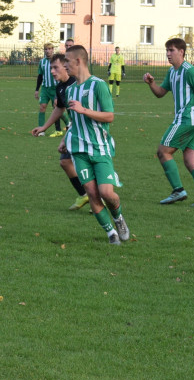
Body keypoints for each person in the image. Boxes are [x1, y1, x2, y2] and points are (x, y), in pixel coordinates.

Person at [63, 45, 130, 245]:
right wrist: (64, 140)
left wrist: (84, 110)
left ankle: (118, 219)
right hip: (79, 150)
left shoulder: (99, 85)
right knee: (92, 193)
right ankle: (111, 234)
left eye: (67, 60)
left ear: (78, 61)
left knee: (107, 193)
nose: (65, 65)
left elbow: (109, 116)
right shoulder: (70, 90)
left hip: (100, 148)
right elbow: (73, 122)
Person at [142, 37, 194, 207]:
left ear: (181, 52)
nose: (168, 54)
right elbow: (160, 93)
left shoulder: (189, 71)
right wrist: (151, 83)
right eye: (167, 50)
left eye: (171, 50)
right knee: (191, 161)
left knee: (163, 152)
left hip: (188, 120)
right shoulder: (172, 72)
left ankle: (178, 190)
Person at [31, 52, 90, 211]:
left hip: (88, 131)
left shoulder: (77, 84)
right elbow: (59, 108)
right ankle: (85, 194)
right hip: (75, 129)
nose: (52, 71)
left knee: (88, 164)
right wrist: (44, 127)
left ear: (66, 66)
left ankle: (99, 198)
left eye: (55, 68)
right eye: (51, 68)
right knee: (65, 161)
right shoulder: (61, 87)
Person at [35, 43, 63, 135]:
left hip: (55, 88)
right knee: (42, 107)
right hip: (45, 88)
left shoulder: (56, 62)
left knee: (56, 108)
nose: (48, 51)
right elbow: (40, 76)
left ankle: (67, 123)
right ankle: (41, 130)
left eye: (49, 49)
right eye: (46, 49)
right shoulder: (42, 62)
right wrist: (36, 90)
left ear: (53, 50)